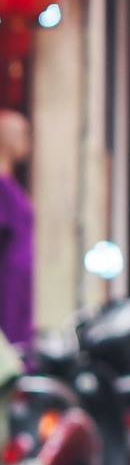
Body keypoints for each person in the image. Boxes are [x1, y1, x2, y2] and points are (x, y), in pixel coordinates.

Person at [0, 110, 34, 353]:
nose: (27, 140)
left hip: (18, 284)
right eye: (23, 133)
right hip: (6, 287)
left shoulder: (9, 182)